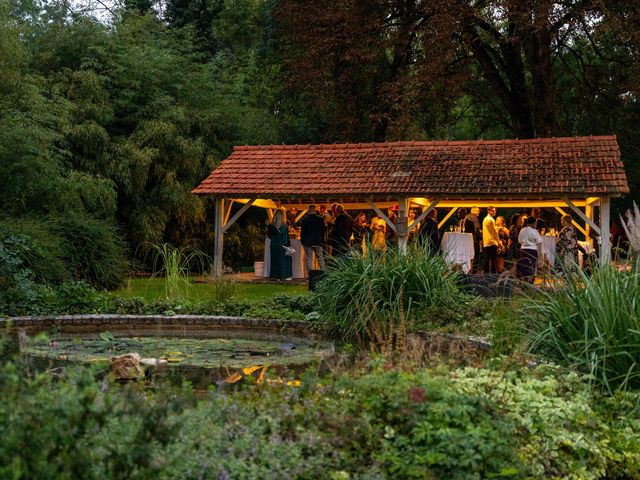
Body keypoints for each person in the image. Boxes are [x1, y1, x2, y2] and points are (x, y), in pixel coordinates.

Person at [267, 209, 292, 280]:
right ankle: (281, 276)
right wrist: (288, 245)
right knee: (283, 261)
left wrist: (274, 238)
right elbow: (285, 237)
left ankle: (274, 276)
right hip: (281, 244)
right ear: (283, 215)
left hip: (273, 244)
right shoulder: (284, 225)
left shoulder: (271, 224)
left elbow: (269, 234)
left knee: (274, 260)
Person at [299, 205, 326, 271]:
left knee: (309, 259)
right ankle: (323, 273)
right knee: (320, 258)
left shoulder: (305, 219)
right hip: (318, 241)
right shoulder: (320, 219)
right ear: (315, 210)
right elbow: (323, 230)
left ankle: (310, 275)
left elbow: (303, 232)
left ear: (309, 210)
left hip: (308, 242)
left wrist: (302, 241)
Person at [517, 216, 543, 282]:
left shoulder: (522, 230)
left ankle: (523, 281)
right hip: (532, 250)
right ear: (534, 223)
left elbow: (519, 241)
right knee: (531, 266)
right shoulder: (534, 231)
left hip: (523, 250)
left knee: (524, 266)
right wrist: (539, 254)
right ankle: (530, 281)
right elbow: (539, 242)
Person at [482, 207, 500, 274]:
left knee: (486, 259)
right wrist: (498, 241)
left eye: (495, 211)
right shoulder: (491, 219)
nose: (494, 212)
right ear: (488, 211)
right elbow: (494, 232)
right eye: (492, 211)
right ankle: (493, 274)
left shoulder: (485, 219)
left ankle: (485, 273)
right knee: (493, 259)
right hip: (492, 242)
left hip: (486, 242)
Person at [467, 207, 482, 272]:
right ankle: (474, 271)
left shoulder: (466, 217)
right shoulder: (475, 218)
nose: (478, 212)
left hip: (467, 241)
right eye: (477, 211)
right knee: (476, 256)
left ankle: (468, 270)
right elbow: (477, 230)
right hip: (474, 240)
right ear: (472, 211)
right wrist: (480, 239)